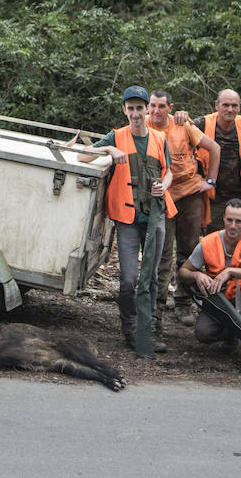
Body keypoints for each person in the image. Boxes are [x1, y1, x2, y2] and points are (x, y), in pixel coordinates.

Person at [82, 85, 175, 354]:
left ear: (148, 109)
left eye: (139, 108)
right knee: (128, 279)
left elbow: (170, 172)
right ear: (124, 110)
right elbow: (83, 156)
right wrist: (110, 150)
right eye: (130, 108)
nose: (135, 113)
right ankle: (130, 329)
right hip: (127, 218)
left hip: (155, 215)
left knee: (153, 276)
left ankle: (151, 329)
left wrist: (165, 186)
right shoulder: (116, 136)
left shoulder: (159, 138)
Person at [147, 89, 218, 325]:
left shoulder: (182, 124)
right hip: (162, 196)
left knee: (188, 250)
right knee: (163, 251)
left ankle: (183, 303)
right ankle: (156, 305)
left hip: (189, 193)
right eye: (153, 105)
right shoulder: (143, 126)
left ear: (170, 107)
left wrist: (210, 181)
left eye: (161, 106)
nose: (156, 111)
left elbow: (214, 148)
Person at [178, 199, 241, 374]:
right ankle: (233, 336)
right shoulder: (208, 242)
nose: (233, 225)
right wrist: (197, 274)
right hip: (221, 302)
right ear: (223, 218)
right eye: (229, 220)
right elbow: (183, 272)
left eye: (238, 221)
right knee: (202, 333)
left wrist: (231, 271)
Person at [190, 89, 241, 233]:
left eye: (234, 106)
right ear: (217, 105)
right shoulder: (202, 124)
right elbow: (180, 130)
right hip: (213, 197)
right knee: (213, 238)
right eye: (225, 105)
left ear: (239, 107)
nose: (230, 109)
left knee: (239, 238)